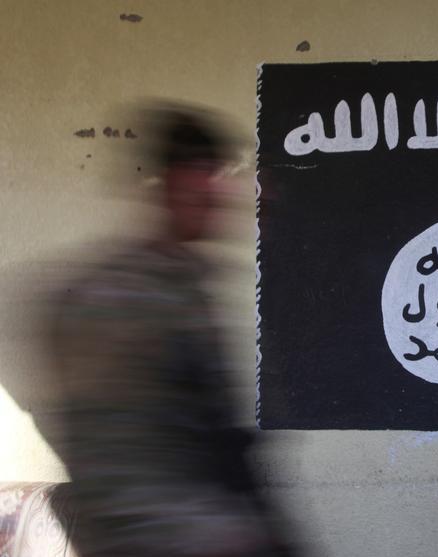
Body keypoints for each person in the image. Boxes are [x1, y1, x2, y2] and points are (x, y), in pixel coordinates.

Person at [48, 104, 292, 557]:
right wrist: (234, 537)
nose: (222, 191)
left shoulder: (186, 285)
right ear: (172, 180)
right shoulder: (112, 297)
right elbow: (120, 474)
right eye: (208, 173)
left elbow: (213, 445)